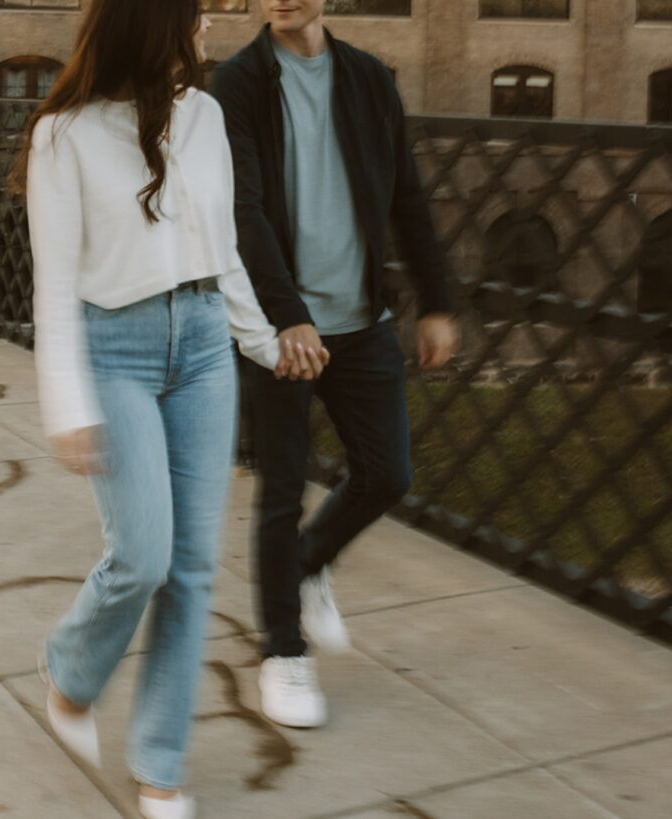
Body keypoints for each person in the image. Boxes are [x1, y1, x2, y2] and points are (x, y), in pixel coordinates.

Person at [9, 2, 316, 816]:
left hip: (206, 349)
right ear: (153, 26)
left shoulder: (204, 117)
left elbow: (222, 252)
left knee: (190, 569)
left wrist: (263, 340)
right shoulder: (63, 135)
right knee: (141, 554)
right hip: (115, 352)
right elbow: (54, 285)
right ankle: (71, 669)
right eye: (194, 16)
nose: (206, 29)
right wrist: (66, 402)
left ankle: (161, 766)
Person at [210, 1, 459, 730]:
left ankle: (310, 561)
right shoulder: (239, 83)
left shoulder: (369, 78)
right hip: (284, 328)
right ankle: (282, 651)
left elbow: (406, 196)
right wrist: (286, 315)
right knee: (282, 487)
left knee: (388, 473)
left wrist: (437, 300)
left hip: (362, 322)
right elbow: (243, 209)